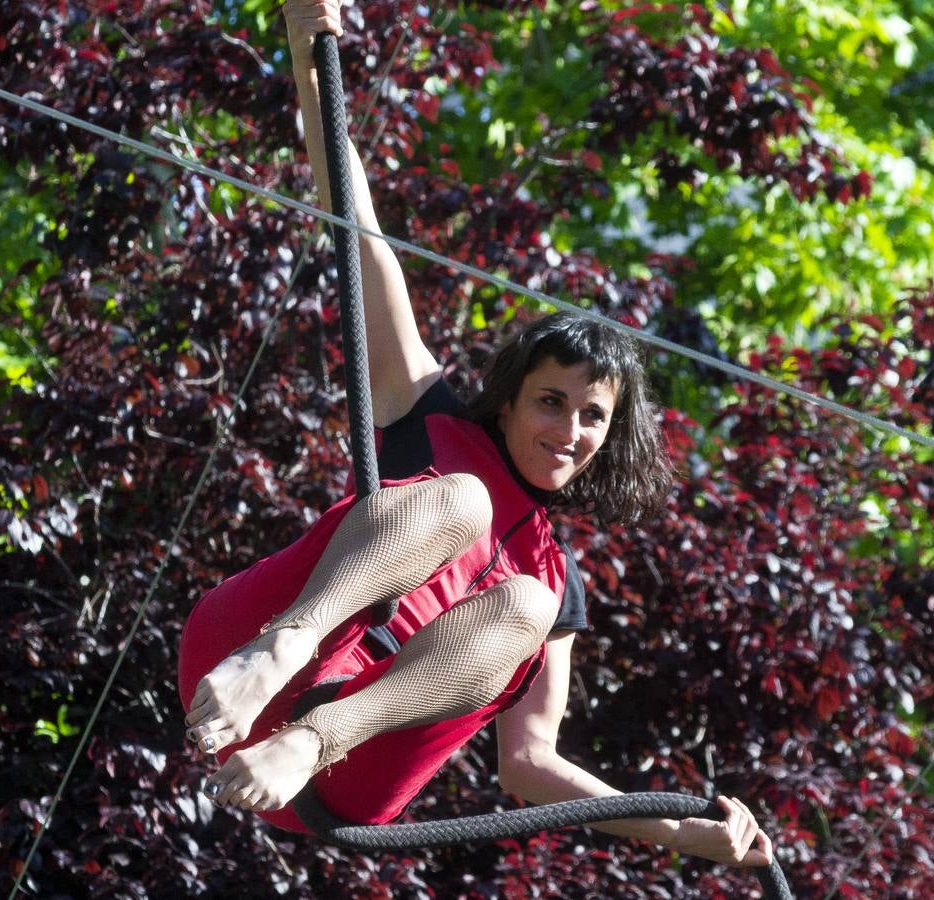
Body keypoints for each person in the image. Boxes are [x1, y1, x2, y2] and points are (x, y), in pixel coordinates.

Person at [176, 0, 773, 869]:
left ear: (611, 438)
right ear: (508, 398)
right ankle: (288, 645)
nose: (567, 430)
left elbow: (530, 767)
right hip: (238, 656)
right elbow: (356, 226)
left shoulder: (551, 583)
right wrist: (311, 48)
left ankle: (313, 733)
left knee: (529, 605)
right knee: (460, 497)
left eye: (590, 415)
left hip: (335, 772)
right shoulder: (432, 419)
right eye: (550, 401)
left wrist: (687, 835)